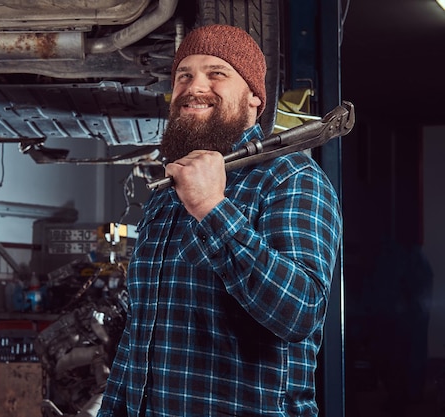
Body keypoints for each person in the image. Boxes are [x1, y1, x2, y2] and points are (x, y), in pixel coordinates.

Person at [97, 24, 342, 416]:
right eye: (184, 75)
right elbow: (138, 340)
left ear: (254, 101)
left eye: (217, 73)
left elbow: (300, 313)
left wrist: (212, 206)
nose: (195, 87)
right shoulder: (166, 194)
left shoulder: (291, 178)